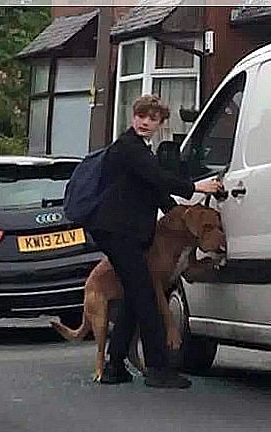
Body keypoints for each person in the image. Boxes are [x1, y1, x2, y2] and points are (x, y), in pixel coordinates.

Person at [86, 95, 222, 388]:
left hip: (126, 234)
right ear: (133, 117)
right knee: (146, 294)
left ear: (161, 123)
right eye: (142, 117)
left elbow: (156, 192)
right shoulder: (128, 147)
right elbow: (156, 178)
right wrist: (195, 187)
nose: (146, 123)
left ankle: (114, 366)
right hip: (117, 233)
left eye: (153, 119)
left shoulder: (142, 149)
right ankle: (158, 369)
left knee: (136, 296)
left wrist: (183, 214)